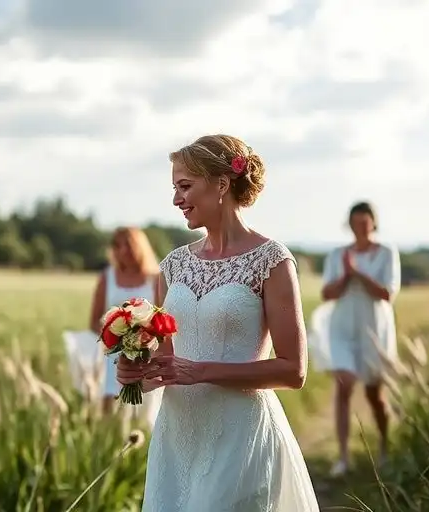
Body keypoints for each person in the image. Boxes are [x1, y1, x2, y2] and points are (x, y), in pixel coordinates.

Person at [117, 134, 318, 511]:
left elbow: (294, 371)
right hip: (177, 437)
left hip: (238, 435)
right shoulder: (173, 265)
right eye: (175, 187)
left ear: (222, 184)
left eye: (185, 186)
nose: (177, 199)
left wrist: (203, 370)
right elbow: (167, 363)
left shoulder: (271, 261)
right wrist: (134, 377)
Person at [307, 201, 401, 478]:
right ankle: (344, 456)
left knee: (374, 394)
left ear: (373, 223)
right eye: (355, 223)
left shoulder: (386, 253)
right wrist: (347, 275)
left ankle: (384, 447)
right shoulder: (337, 255)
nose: (360, 227)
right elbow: (328, 294)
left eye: (365, 222)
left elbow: (387, 294)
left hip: (373, 330)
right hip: (342, 328)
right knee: (344, 385)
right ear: (349, 225)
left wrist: (358, 272)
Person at [87, 227, 163, 414]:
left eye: (128, 245)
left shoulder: (156, 278)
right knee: (110, 410)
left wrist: (142, 341)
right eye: (117, 245)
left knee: (143, 412)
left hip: (147, 356)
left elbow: (162, 318)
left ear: (140, 247)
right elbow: (94, 321)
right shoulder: (107, 277)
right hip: (112, 356)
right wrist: (119, 339)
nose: (123, 251)